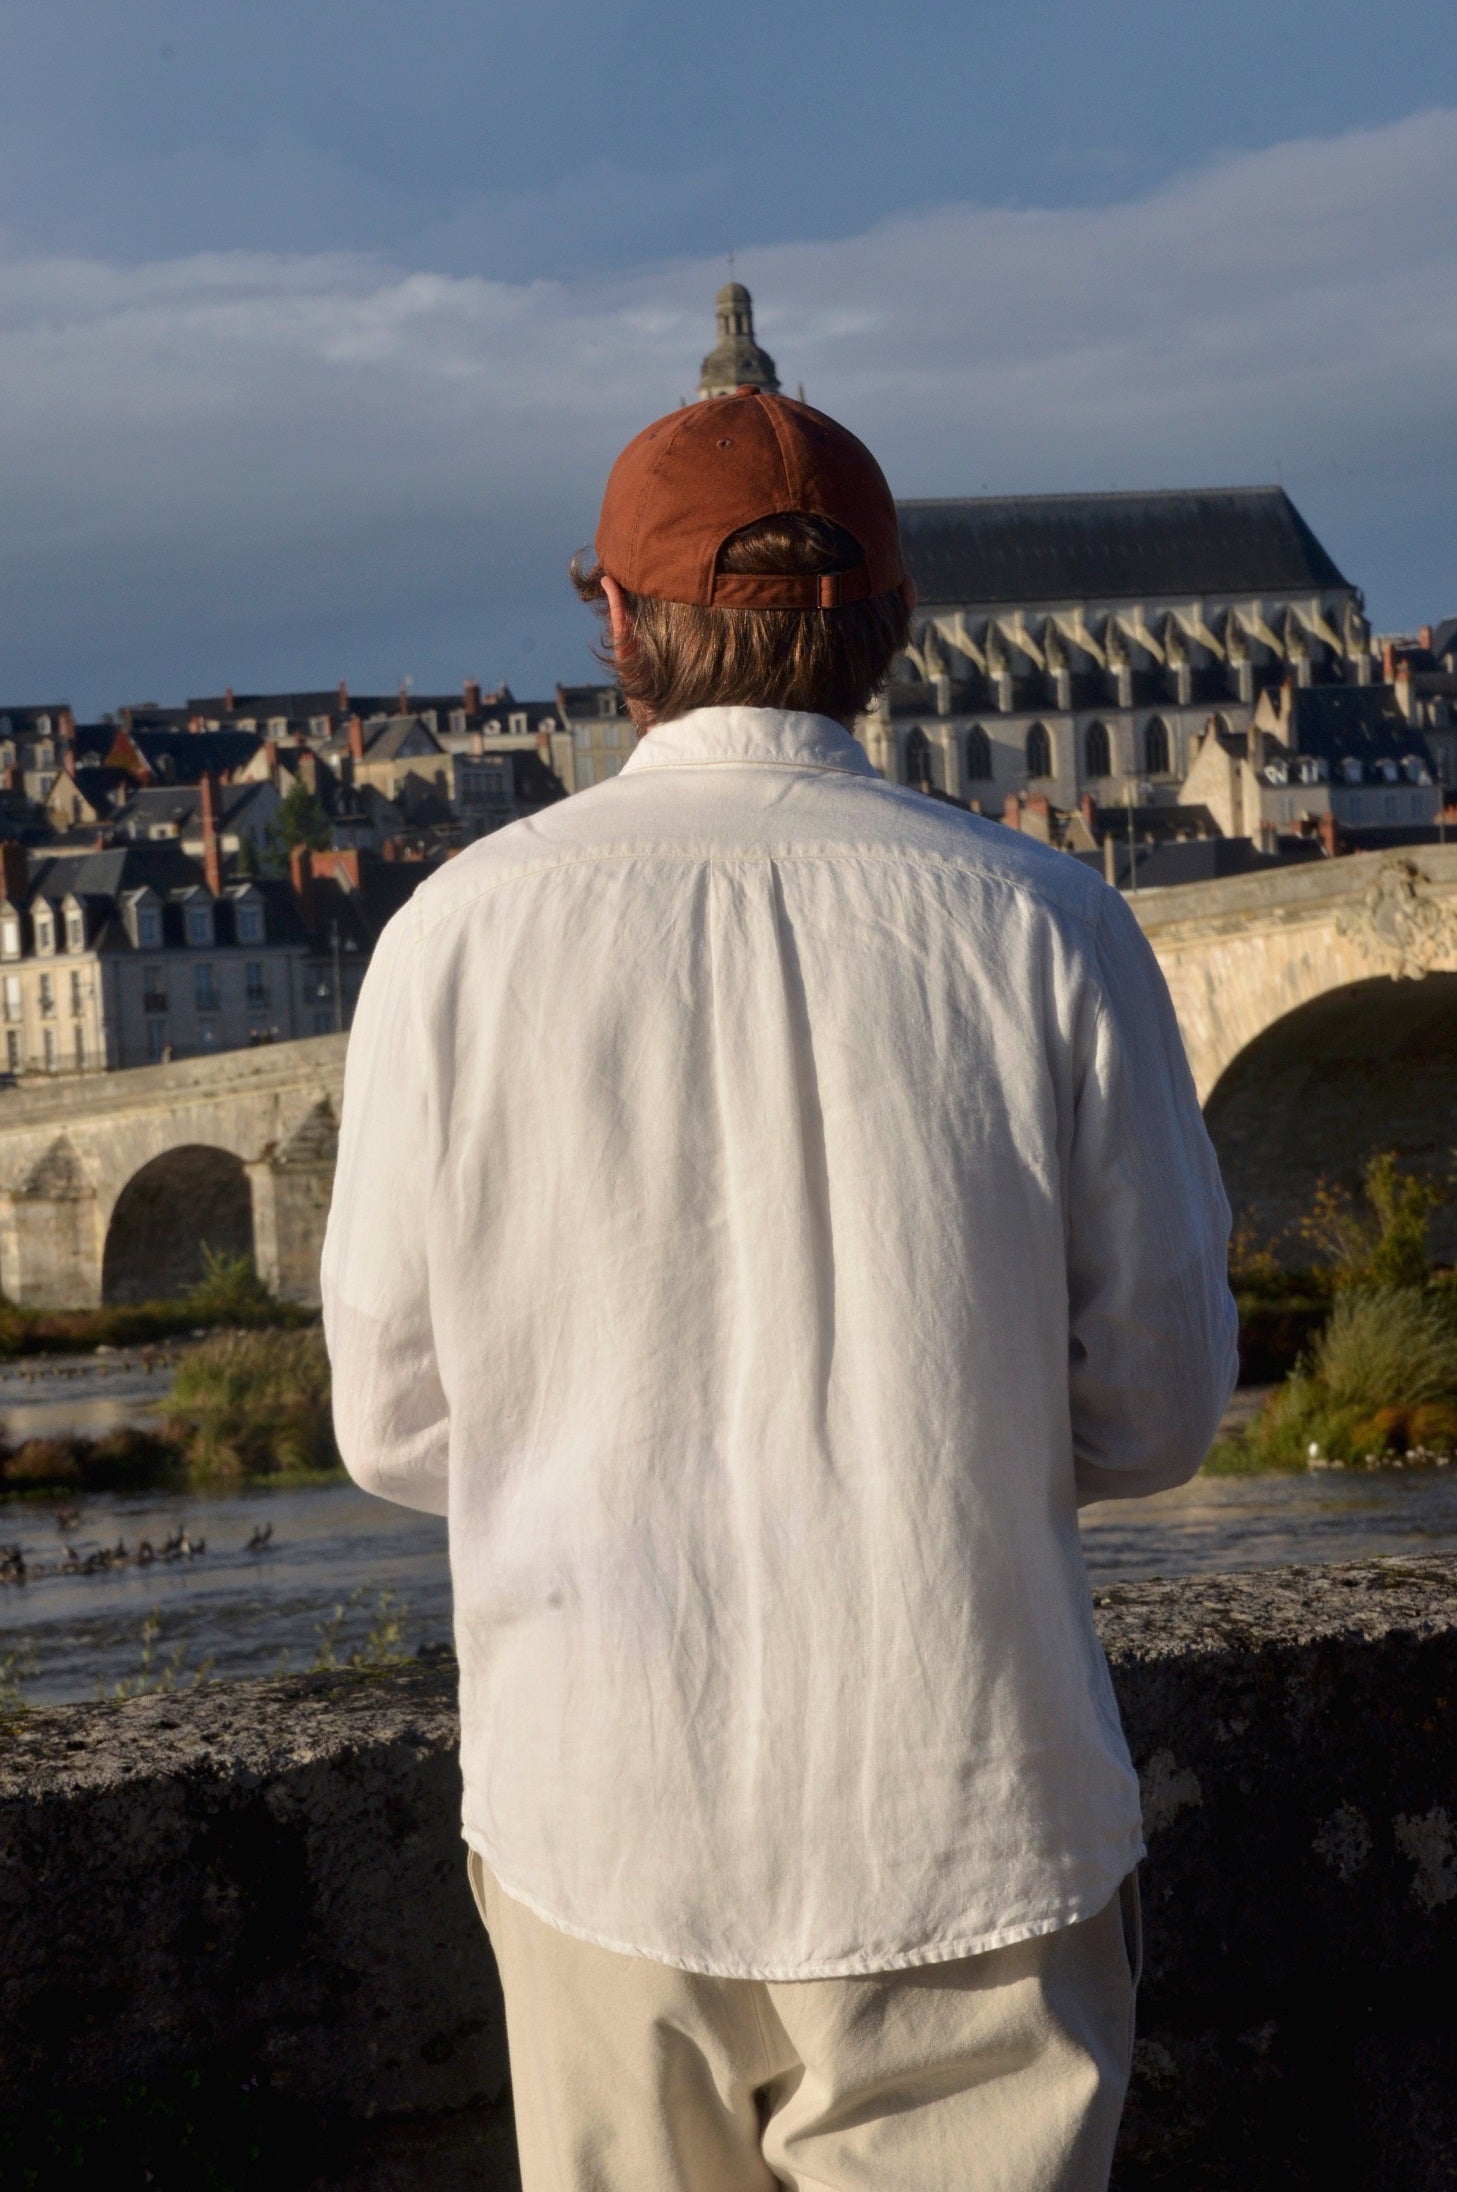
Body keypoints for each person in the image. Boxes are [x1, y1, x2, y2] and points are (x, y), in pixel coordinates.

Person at [322, 386, 1238, 2191]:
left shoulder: (455, 933)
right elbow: (1156, 1407)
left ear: (612, 622)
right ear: (895, 628)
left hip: (601, 1815)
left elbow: (396, 1421)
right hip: (967, 1806)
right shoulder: (1051, 925)